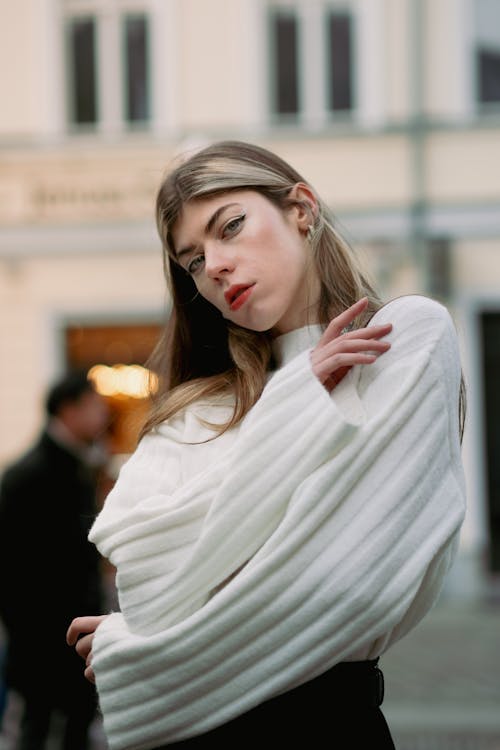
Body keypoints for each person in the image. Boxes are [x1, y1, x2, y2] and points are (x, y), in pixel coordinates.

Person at [67, 140, 467, 750]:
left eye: (230, 226)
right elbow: (145, 586)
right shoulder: (191, 408)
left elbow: (345, 589)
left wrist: (136, 657)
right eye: (193, 260)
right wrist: (297, 400)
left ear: (301, 208)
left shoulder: (402, 343)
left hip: (327, 729)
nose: (217, 266)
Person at [0, 369, 111, 750]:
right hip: (42, 641)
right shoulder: (27, 476)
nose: (103, 414)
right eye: (93, 405)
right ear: (68, 410)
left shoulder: (76, 464)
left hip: (72, 635)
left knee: (75, 728)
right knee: (38, 729)